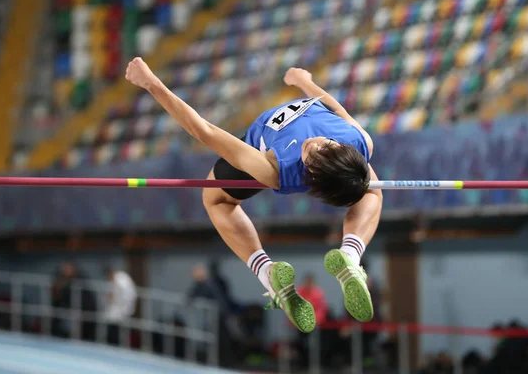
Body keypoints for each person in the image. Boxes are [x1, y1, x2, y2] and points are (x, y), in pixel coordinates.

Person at [125, 58, 383, 333]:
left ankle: (266, 272)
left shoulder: (272, 167)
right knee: (369, 186)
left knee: (216, 200)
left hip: (259, 141)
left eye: (313, 157)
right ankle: (351, 255)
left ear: (313, 175)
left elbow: (204, 130)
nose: (316, 144)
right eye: (327, 145)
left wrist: (150, 83)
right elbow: (334, 107)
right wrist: (303, 81)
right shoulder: (360, 140)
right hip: (337, 159)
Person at [103, 266, 137, 346]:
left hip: (123, 310)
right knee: (113, 330)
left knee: (121, 331)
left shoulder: (122, 279)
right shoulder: (114, 280)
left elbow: (128, 295)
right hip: (116, 312)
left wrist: (116, 299)